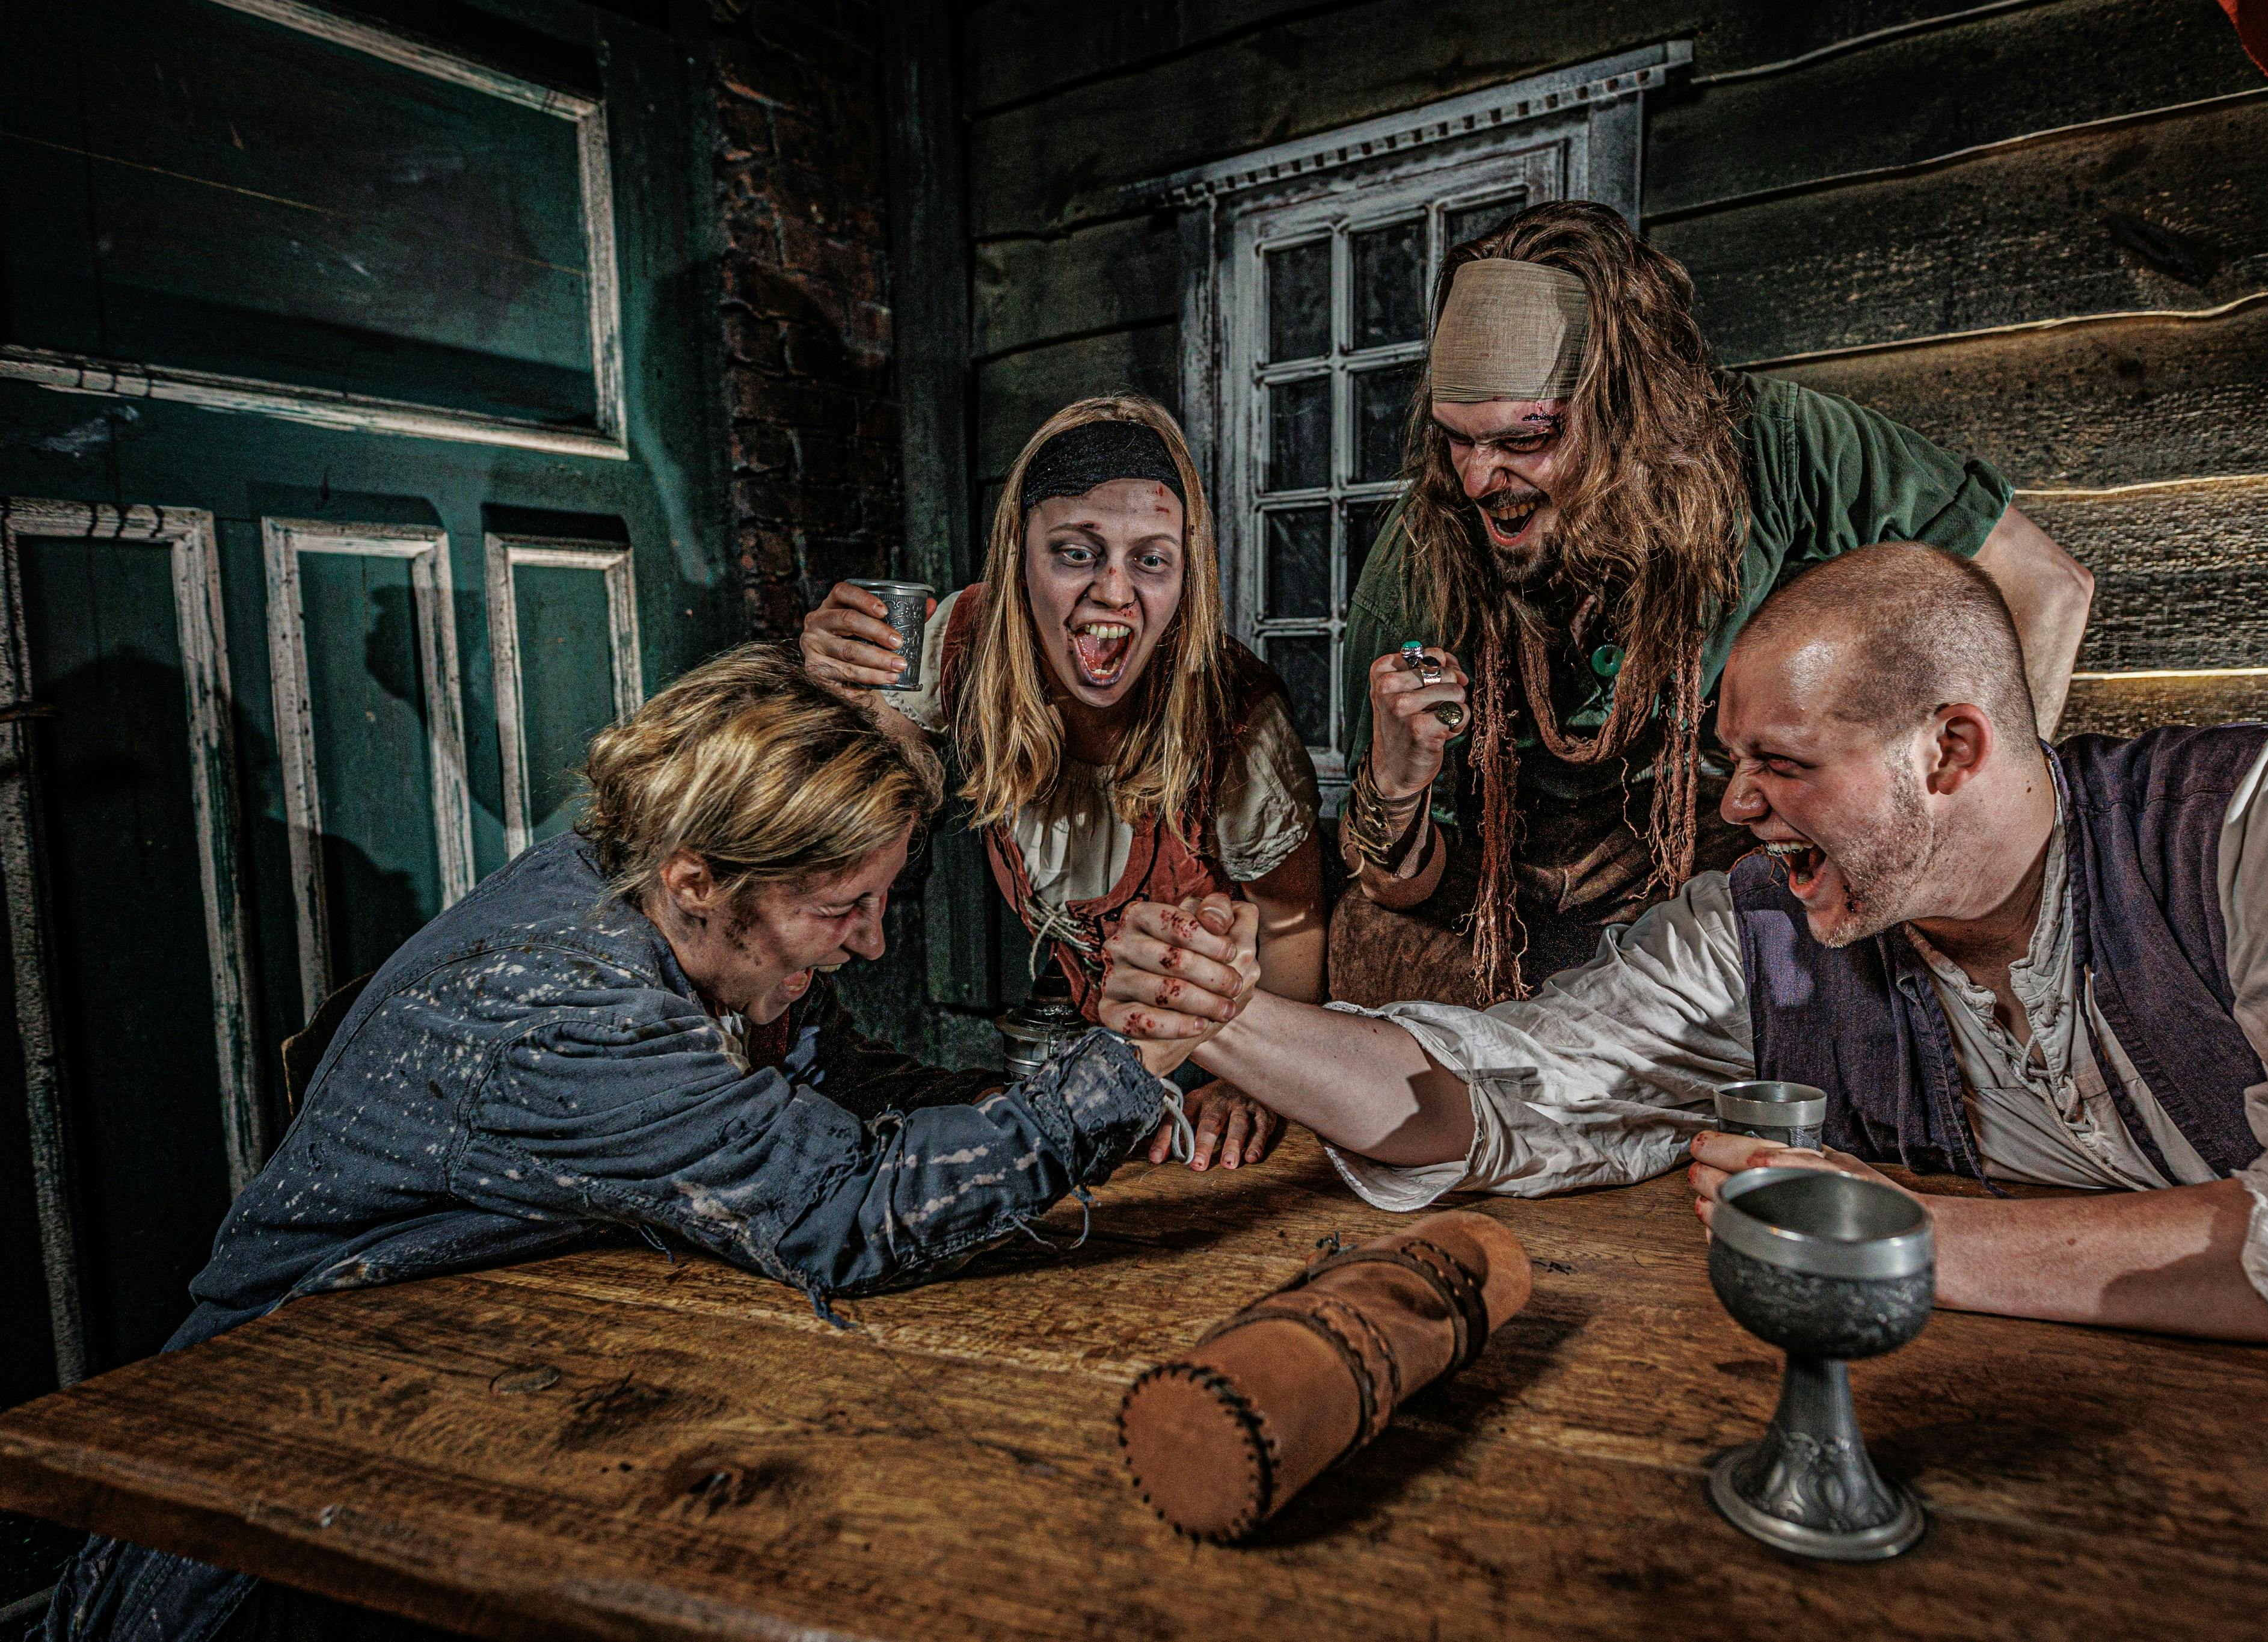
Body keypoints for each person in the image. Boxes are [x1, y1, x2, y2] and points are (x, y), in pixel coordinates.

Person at [1098, 543, 2268, 1463]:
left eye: (1780, 763)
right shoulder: (1764, 928)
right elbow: (1497, 1088)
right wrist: (1227, 1019)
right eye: (1726, 761)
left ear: (1949, 747)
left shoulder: (2256, 820)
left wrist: (1890, 1239)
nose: (1736, 805)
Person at [46, 643, 1196, 1640]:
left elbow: (837, 1085)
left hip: (448, 1400)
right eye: (843, 908)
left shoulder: (666, 897)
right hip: (264, 1514)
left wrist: (1057, 1104)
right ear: (701, 878)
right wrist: (1128, 1066)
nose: (874, 942)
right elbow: (845, 1213)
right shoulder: (566, 1007)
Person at [1336, 201, 2095, 1007]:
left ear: (1632, 412)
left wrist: (1968, 838)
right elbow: (1395, 887)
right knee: (1373, 953)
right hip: (1511, 896)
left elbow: (2046, 586)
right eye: (1458, 437)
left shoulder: (1782, 449)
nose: (1479, 478)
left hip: (1729, 872)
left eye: (1526, 440)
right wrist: (1396, 780)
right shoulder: (1427, 551)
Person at [801, 395, 1324, 1172]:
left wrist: (1253, 1081)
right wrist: (833, 681)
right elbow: (874, 781)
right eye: (1076, 552)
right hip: (1082, 1053)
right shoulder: (965, 644)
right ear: (1018, 554)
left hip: (1213, 1058)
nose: (1114, 592)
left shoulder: (1236, 723)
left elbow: (1292, 915)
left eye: (1151, 558)